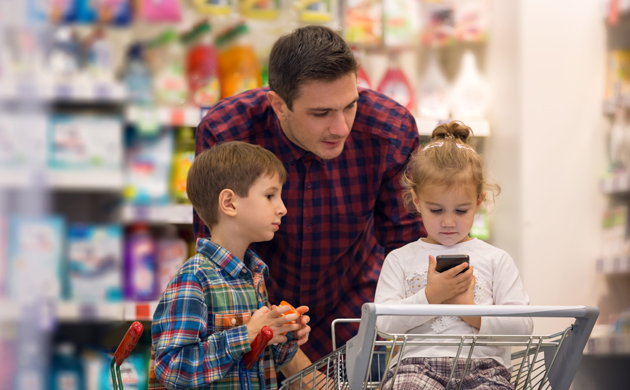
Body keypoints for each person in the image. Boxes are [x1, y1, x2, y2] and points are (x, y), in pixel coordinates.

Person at [194, 24, 425, 374]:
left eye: (350, 106)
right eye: (321, 113)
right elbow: (219, 263)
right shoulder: (227, 133)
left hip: (354, 323)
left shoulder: (390, 129)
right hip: (253, 325)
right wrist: (296, 365)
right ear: (278, 105)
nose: (341, 127)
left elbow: (408, 251)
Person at [374, 121, 533, 390]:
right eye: (436, 210)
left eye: (461, 211)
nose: (448, 222)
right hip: (415, 367)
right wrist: (430, 297)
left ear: (479, 202)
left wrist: (469, 310)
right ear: (416, 201)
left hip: (485, 368)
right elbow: (383, 326)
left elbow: (522, 327)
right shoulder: (399, 259)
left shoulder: (496, 259)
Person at [151, 141, 312, 390]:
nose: (283, 208)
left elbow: (259, 362)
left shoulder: (253, 276)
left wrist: (284, 335)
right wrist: (247, 334)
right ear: (229, 203)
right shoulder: (195, 277)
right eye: (270, 196)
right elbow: (172, 370)